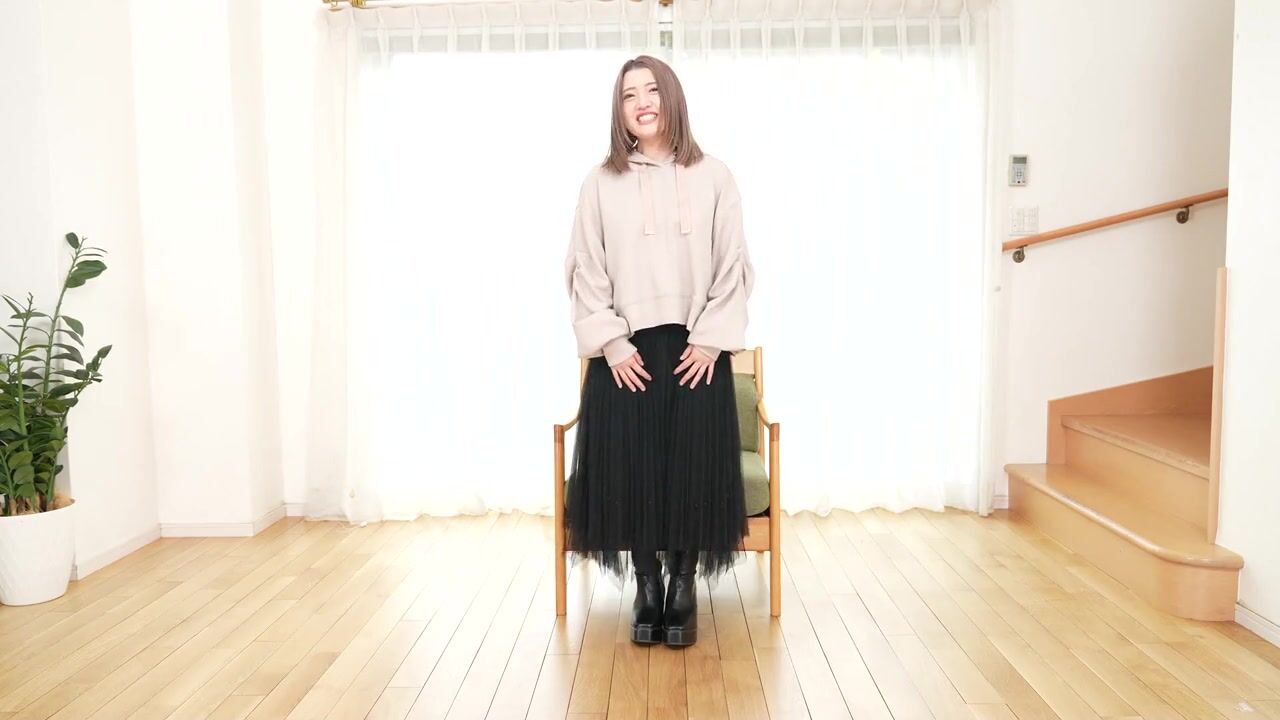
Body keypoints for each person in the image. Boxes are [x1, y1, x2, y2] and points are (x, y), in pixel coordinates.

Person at [562, 55, 756, 648]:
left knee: (691, 470)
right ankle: (646, 587)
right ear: (618, 110)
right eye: (629, 95)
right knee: (634, 471)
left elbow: (733, 263)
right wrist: (612, 343)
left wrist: (711, 339)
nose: (642, 102)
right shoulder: (600, 182)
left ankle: (683, 587)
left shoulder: (715, 176)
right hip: (625, 355)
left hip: (698, 350)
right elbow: (584, 265)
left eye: (651, 90)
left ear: (672, 98)